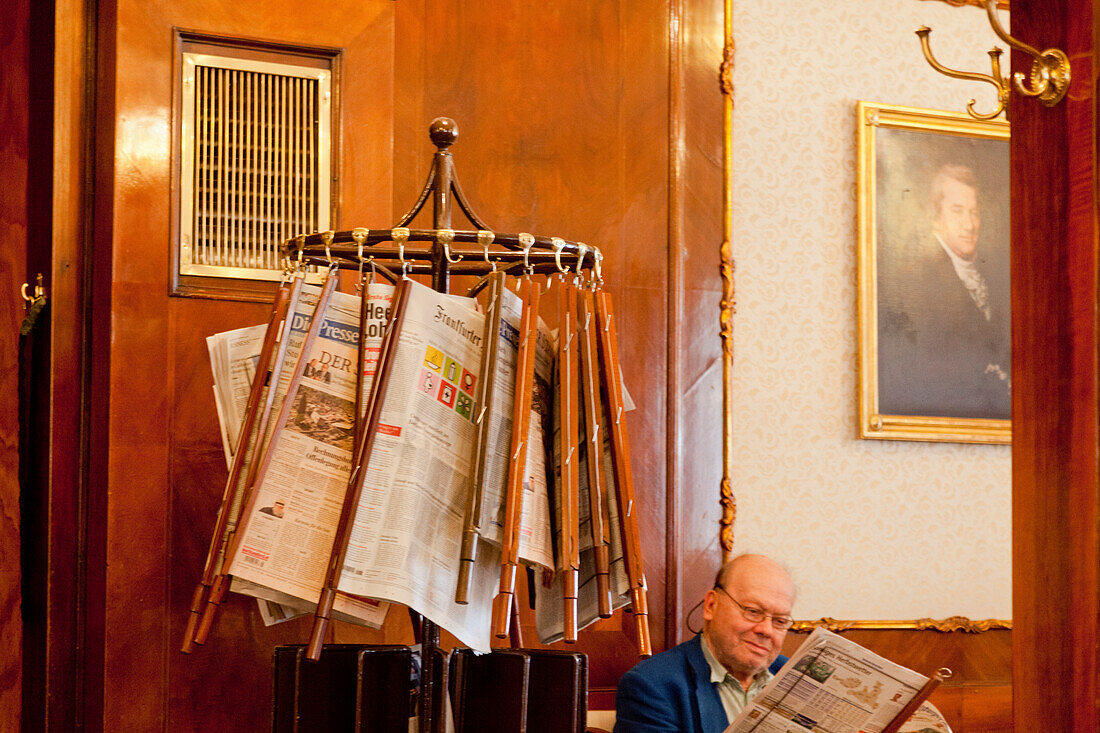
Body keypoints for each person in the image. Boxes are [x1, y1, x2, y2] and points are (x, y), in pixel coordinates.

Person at [877, 163, 1010, 419]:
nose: (969, 225)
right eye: (957, 211)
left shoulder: (996, 273)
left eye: (974, 213)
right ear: (936, 218)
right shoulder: (914, 280)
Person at [614, 554, 795, 733]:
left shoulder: (793, 675)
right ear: (711, 605)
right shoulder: (652, 686)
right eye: (753, 611)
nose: (766, 630)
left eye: (780, 621)